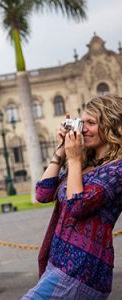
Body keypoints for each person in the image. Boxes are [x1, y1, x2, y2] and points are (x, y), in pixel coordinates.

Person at [23, 94, 122, 299]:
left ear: (111, 126)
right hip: (58, 261)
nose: (82, 128)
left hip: (82, 268)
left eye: (91, 123)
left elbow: (77, 205)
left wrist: (74, 159)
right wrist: (61, 152)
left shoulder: (117, 169)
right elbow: (43, 193)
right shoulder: (86, 163)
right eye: (82, 122)